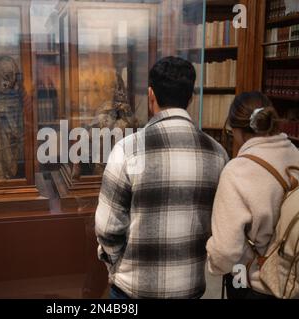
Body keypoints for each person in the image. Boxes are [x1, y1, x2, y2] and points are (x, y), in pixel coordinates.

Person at [95, 56, 229, 299]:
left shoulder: (127, 150)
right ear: (191, 98)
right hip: (190, 287)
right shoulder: (218, 154)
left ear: (150, 95)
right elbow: (220, 225)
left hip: (133, 289)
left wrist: (117, 264)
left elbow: (107, 228)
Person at [206, 92, 299, 299]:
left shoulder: (237, 170)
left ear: (236, 129)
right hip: (295, 281)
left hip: (252, 284)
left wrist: (214, 264)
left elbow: (225, 251)